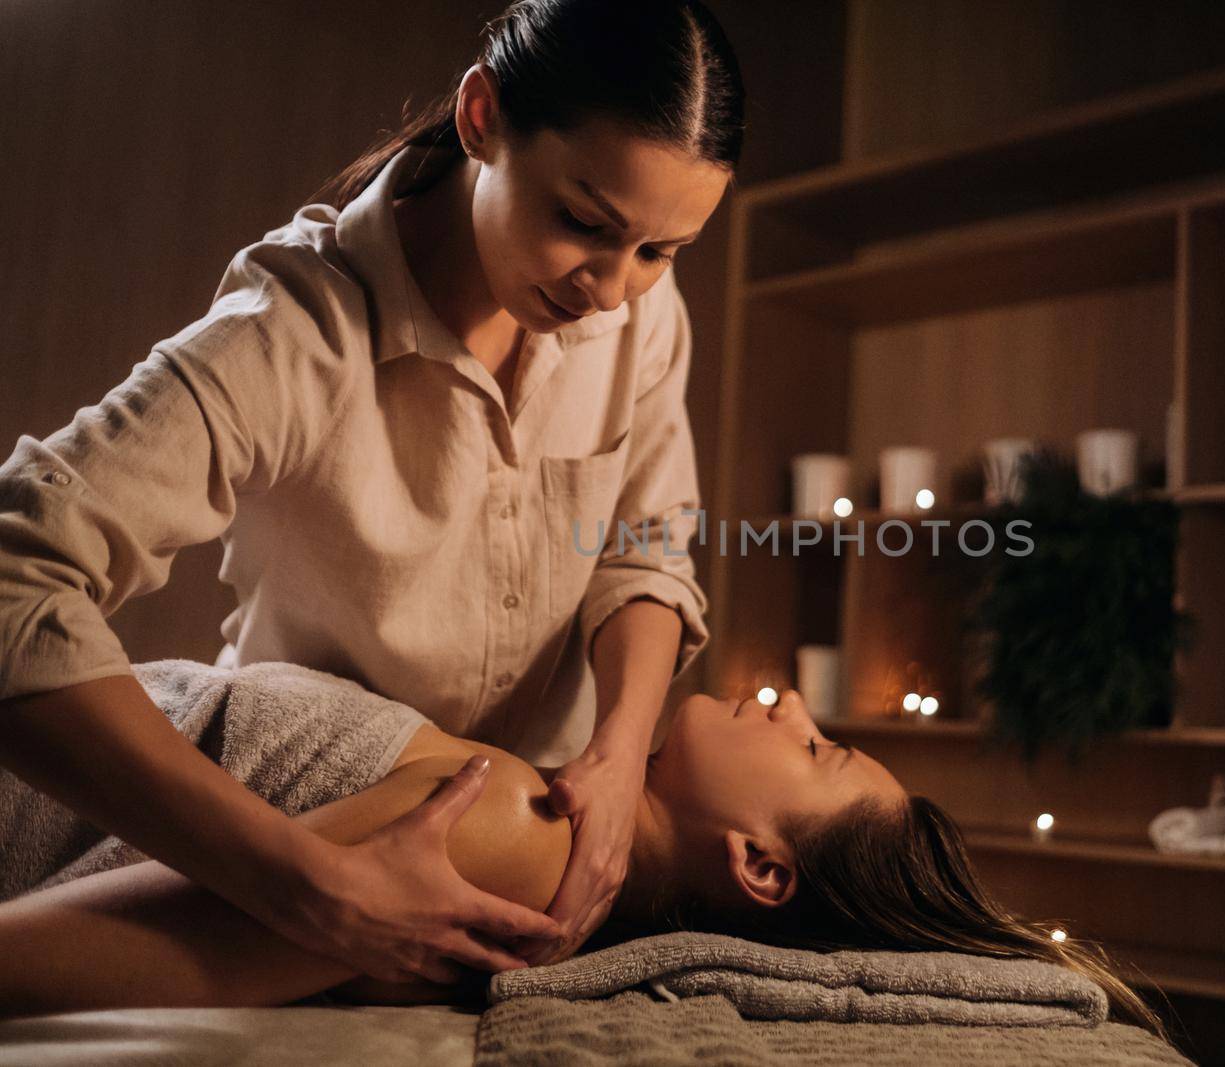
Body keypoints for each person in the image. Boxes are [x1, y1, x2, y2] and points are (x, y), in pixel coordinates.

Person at [0, 0, 742, 986]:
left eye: (659, 251)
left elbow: (645, 545)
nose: (610, 291)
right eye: (583, 222)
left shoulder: (640, 320)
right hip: (319, 803)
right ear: (482, 117)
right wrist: (297, 876)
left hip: (518, 849)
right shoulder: (296, 329)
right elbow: (16, 571)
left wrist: (617, 751)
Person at [0, 681, 1166, 1041]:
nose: (792, 703)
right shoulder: (542, 827)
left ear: (760, 868)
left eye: (814, 747)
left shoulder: (516, 827)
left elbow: (59, 952)